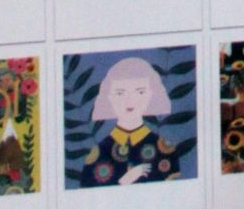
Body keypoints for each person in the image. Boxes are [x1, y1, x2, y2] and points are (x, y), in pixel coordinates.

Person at [79, 56, 187, 186]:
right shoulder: (97, 154)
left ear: (151, 95)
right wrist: (124, 181)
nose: (130, 101)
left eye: (140, 92)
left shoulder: (165, 150)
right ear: (109, 98)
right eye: (120, 93)